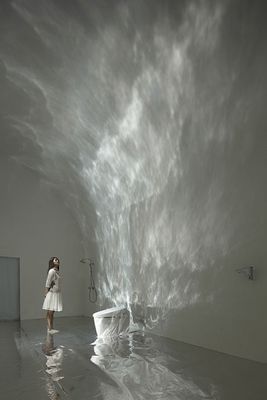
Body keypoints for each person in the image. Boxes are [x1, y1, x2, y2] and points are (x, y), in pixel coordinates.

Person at [42, 257, 63, 334]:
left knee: (52, 311)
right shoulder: (51, 271)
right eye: (55, 260)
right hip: (52, 293)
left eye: (58, 259)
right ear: (52, 262)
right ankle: (50, 328)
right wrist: (46, 293)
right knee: (50, 311)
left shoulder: (57, 271)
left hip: (56, 293)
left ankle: (50, 327)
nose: (57, 260)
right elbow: (48, 282)